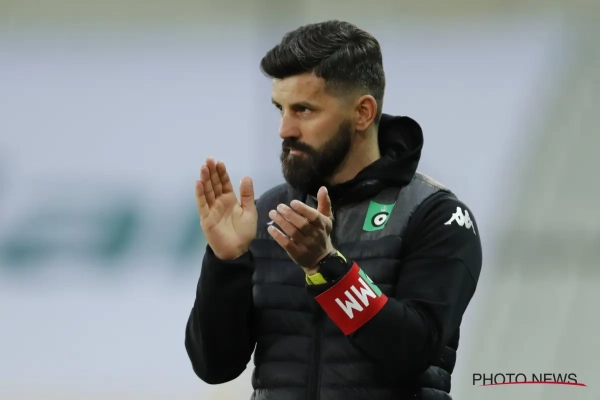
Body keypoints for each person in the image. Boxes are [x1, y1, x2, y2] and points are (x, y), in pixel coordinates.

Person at [185, 20, 482, 400]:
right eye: (280, 109)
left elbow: (412, 352)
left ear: (362, 113)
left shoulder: (435, 215)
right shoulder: (269, 213)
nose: (285, 129)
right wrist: (226, 263)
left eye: (304, 110)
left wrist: (326, 268)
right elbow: (214, 367)